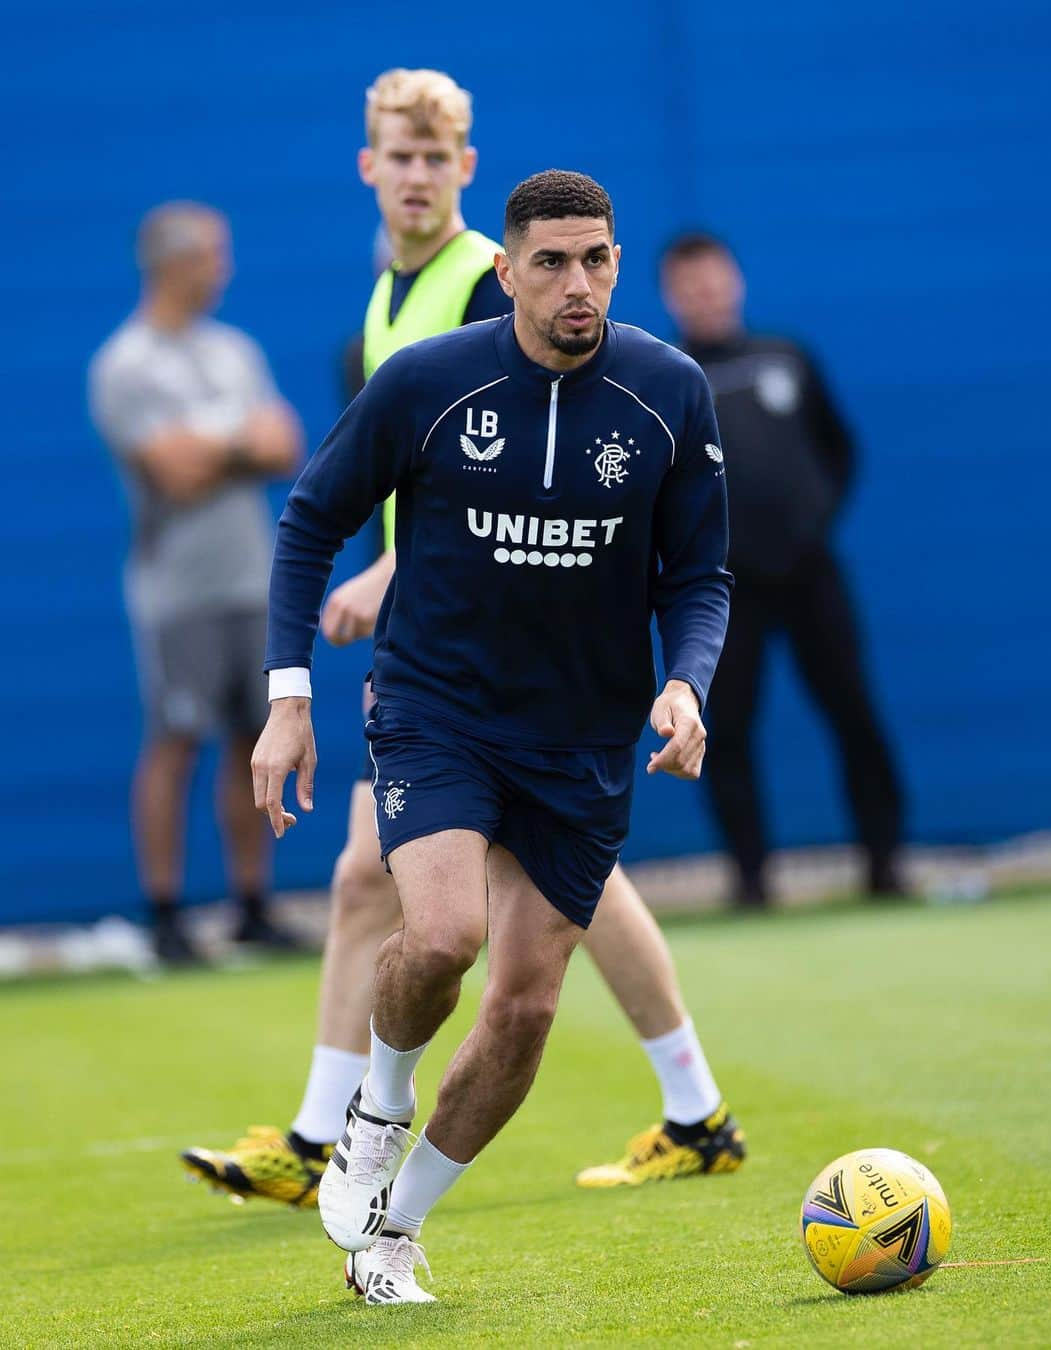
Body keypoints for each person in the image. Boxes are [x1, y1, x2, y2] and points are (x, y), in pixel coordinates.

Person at [182, 71, 743, 1209]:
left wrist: (682, 684)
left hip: (566, 696)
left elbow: (638, 536)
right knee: (403, 912)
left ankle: (670, 1109)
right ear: (369, 166)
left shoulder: (560, 330)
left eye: (438, 156)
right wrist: (299, 685)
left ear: (467, 173)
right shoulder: (399, 321)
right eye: (401, 154)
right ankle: (343, 1122)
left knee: (508, 954)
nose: (419, 173)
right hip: (443, 681)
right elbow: (380, 491)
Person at [660, 232, 905, 906]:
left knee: (854, 712)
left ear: (734, 281)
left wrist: (812, 521)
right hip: (725, 590)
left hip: (810, 573)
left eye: (715, 279)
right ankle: (751, 879)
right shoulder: (669, 376)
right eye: (690, 285)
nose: (706, 293)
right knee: (727, 730)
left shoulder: (786, 356)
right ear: (671, 296)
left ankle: (885, 865)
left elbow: (838, 448)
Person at [88, 202, 304, 964]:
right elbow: (173, 473)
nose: (225, 267)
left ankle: (251, 905)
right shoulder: (126, 363)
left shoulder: (234, 351)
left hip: (252, 578)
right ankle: (166, 914)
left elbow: (285, 444)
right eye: (213, 254)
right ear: (175, 263)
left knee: (255, 736)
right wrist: (239, 443)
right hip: (176, 588)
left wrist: (221, 448)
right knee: (177, 739)